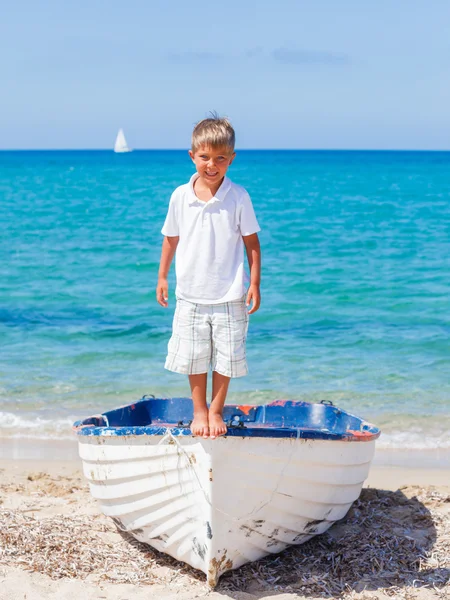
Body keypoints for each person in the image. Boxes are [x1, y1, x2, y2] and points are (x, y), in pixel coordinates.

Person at [156, 115, 261, 439]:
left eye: (220, 158)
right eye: (205, 157)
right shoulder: (179, 196)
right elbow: (170, 238)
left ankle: (216, 410)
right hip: (190, 293)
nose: (212, 165)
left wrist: (254, 283)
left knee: (227, 359)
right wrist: (162, 277)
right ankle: (199, 410)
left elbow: (252, 243)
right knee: (194, 356)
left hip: (230, 294)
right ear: (192, 156)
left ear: (231, 159)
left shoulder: (238, 196)